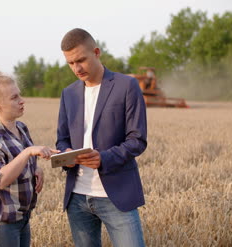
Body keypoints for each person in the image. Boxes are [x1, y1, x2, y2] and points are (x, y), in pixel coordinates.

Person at [56, 28, 148, 247]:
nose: (76, 68)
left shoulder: (127, 86)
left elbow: (138, 139)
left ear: (96, 52)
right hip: (77, 197)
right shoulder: (68, 94)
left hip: (117, 195)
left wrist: (104, 158)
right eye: (70, 63)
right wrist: (65, 153)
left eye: (81, 60)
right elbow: (62, 139)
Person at [0, 67, 58, 247]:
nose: (22, 101)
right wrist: (27, 152)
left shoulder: (21, 128)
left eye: (19, 95)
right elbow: (0, 179)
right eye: (14, 98)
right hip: (0, 223)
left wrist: (36, 168)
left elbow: (22, 163)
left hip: (21, 218)